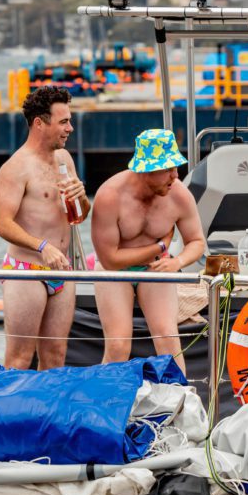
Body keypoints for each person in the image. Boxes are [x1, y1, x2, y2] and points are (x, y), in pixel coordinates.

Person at [91, 128, 206, 373]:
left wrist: (178, 262)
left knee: (168, 339)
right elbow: (110, 260)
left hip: (158, 268)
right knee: (119, 345)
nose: (175, 175)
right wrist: (160, 246)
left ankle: (181, 402)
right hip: (116, 272)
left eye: (176, 167)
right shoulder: (110, 196)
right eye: (168, 169)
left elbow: (196, 241)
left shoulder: (179, 195)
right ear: (145, 170)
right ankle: (106, 404)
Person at [0, 86, 90, 370]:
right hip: (28, 271)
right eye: (63, 122)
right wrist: (41, 246)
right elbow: (2, 224)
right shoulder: (16, 167)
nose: (70, 128)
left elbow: (81, 216)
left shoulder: (65, 160)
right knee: (20, 357)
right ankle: (10, 413)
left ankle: (45, 413)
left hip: (62, 270)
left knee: (56, 355)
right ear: (39, 123)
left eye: (69, 121)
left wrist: (82, 198)